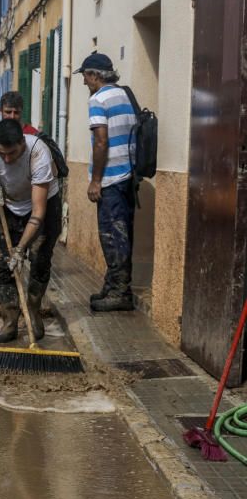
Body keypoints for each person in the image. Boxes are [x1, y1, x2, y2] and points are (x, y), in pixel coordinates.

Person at [0, 119, 62, 343]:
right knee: (2, 263)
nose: (6, 159)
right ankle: (10, 321)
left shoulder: (37, 154)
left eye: (12, 153)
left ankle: (32, 310)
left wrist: (20, 249)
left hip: (42, 207)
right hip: (7, 204)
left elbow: (37, 213)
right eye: (2, 153)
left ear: (22, 143)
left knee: (40, 259)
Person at [79, 52, 138, 312]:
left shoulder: (98, 99)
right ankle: (113, 284)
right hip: (129, 175)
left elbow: (101, 141)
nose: (84, 82)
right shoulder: (126, 95)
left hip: (111, 178)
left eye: (85, 77)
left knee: (112, 235)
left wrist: (96, 181)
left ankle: (119, 292)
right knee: (123, 232)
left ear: (94, 75)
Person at [0, 91, 40, 305]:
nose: (12, 116)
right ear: (1, 112)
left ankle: (27, 294)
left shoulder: (32, 136)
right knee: (0, 248)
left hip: (26, 202)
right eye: (7, 112)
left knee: (25, 248)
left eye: (16, 113)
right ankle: (3, 289)